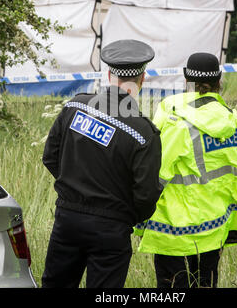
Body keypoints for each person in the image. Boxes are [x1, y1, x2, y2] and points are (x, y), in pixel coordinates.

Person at [135, 52, 237, 288]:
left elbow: (156, 172)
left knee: (174, 286)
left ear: (187, 80)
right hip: (214, 225)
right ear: (219, 82)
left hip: (175, 229)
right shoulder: (234, 123)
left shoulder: (176, 121)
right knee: (206, 281)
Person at [42, 39, 163, 288]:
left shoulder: (75, 106)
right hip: (112, 229)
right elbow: (146, 195)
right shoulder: (143, 133)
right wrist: (122, 216)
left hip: (67, 220)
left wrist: (74, 188)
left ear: (109, 74)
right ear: (142, 79)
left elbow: (50, 157)